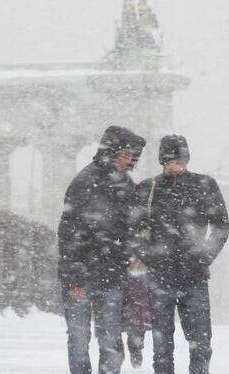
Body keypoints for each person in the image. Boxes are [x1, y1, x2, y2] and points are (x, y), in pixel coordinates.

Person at [130, 135, 229, 374]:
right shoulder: (148, 188)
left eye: (178, 160)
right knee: (162, 344)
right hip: (160, 275)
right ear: (162, 161)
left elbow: (221, 226)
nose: (174, 166)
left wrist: (204, 256)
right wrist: (150, 256)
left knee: (201, 342)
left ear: (186, 159)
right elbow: (132, 231)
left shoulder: (204, 185)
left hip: (193, 274)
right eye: (168, 161)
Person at [58, 125, 146, 374]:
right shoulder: (84, 182)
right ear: (112, 151)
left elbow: (134, 226)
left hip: (111, 273)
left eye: (132, 155)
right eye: (126, 153)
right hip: (83, 275)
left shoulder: (126, 184)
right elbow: (69, 232)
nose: (130, 159)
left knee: (109, 337)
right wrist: (75, 273)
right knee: (79, 337)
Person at [121, 256, 150, 369]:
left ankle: (135, 344)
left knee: (138, 307)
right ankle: (119, 347)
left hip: (137, 264)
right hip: (117, 265)